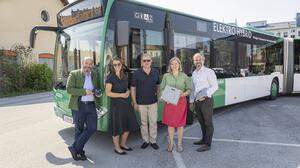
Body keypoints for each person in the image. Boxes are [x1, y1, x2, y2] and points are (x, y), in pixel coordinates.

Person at [66, 57, 100, 161]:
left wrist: (98, 92)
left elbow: (97, 88)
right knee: (79, 129)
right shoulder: (74, 74)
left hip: (91, 105)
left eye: (90, 64)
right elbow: (69, 89)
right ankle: (80, 152)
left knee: (92, 127)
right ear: (82, 63)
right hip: (78, 105)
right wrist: (84, 92)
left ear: (92, 65)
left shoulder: (95, 74)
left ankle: (74, 148)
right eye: (86, 63)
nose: (88, 66)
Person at [105, 58, 139, 155]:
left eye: (118, 64)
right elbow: (108, 93)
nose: (117, 66)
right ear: (112, 66)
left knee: (128, 126)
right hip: (116, 106)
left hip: (127, 104)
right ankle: (117, 147)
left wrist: (128, 91)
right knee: (116, 128)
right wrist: (121, 95)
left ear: (122, 65)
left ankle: (123, 144)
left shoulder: (125, 75)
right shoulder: (110, 77)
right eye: (114, 65)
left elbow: (127, 88)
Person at [160, 57, 191, 153]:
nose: (174, 66)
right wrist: (165, 98)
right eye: (172, 64)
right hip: (169, 103)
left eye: (176, 64)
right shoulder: (166, 76)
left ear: (179, 65)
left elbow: (189, 89)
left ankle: (180, 144)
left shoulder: (184, 76)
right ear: (170, 65)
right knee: (170, 124)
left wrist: (183, 94)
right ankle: (171, 143)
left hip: (181, 103)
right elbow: (162, 88)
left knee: (180, 124)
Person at [190, 53, 218, 152]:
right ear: (194, 62)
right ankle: (203, 139)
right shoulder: (194, 73)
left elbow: (215, 86)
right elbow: (193, 89)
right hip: (197, 101)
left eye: (199, 59)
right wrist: (191, 101)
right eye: (196, 60)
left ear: (203, 60)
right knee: (201, 122)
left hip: (206, 101)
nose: (198, 61)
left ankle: (208, 144)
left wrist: (206, 94)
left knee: (208, 123)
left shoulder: (209, 72)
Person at [131, 53, 160, 150]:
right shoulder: (136, 73)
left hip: (153, 102)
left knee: (153, 122)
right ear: (141, 62)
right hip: (140, 103)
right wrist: (134, 102)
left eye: (148, 60)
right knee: (143, 123)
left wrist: (159, 98)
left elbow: (158, 86)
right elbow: (133, 89)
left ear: (151, 61)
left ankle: (153, 141)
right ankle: (145, 141)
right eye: (144, 60)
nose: (146, 62)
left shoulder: (156, 72)